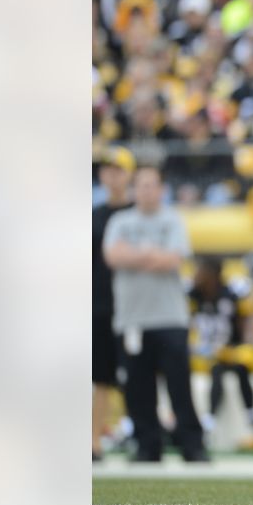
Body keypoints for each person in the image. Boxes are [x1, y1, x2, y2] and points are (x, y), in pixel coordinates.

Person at [103, 164, 207, 462]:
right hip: (132, 320)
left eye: (152, 185)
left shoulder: (172, 219)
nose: (147, 191)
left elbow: (172, 260)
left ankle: (192, 445)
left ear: (161, 189)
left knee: (179, 385)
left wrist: (134, 255)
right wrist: (151, 254)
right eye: (142, 185)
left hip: (171, 317)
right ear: (134, 189)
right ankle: (147, 446)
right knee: (137, 388)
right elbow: (112, 256)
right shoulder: (120, 221)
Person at [188, 256, 253, 453]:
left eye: (201, 272)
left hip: (228, 351)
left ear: (213, 275)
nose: (197, 276)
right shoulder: (192, 296)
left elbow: (245, 324)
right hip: (201, 353)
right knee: (216, 369)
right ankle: (210, 423)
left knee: (238, 366)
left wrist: (245, 343)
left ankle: (248, 419)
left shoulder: (231, 295)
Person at [93, 146, 135, 461]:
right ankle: (94, 442)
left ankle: (147, 435)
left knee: (140, 375)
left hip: (136, 307)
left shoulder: (139, 215)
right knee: (101, 377)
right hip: (101, 305)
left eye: (117, 169)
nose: (110, 174)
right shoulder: (94, 215)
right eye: (106, 169)